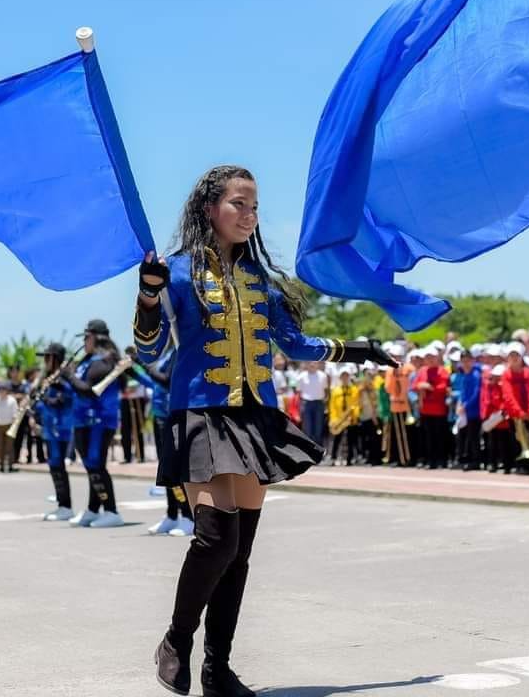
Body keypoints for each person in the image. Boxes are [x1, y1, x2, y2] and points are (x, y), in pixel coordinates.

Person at [134, 164, 394, 696]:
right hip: (201, 416)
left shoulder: (259, 281)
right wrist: (147, 297)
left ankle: (217, 668)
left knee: (240, 553)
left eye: (254, 207)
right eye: (238, 204)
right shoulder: (176, 273)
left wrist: (357, 349)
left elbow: (295, 345)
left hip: (254, 420)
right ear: (210, 208)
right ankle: (176, 640)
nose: (249, 216)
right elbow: (148, 349)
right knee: (214, 540)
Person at [67, 319, 125, 529]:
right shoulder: (89, 359)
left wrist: (69, 376)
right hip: (83, 419)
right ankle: (93, 508)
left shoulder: (105, 360)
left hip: (99, 421)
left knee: (96, 465)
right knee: (91, 466)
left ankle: (111, 510)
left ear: (96, 337)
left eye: (86, 337)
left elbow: (87, 389)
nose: (84, 341)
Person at [139, 347, 195, 536]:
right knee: (166, 470)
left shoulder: (180, 350)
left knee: (176, 469)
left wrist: (143, 365)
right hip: (160, 415)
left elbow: (166, 381)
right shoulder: (168, 353)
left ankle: (188, 516)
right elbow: (153, 383)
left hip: (173, 414)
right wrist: (132, 371)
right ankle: (172, 515)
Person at [36, 343, 77, 522]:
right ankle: (62, 505)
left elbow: (65, 399)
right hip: (50, 428)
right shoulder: (50, 376)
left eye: (47, 357)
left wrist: (46, 398)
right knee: (54, 467)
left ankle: (66, 506)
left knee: (58, 468)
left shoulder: (64, 376)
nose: (45, 361)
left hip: (62, 428)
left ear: (54, 358)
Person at [412, 349, 451, 469]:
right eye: (427, 357)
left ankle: (441, 460)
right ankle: (430, 460)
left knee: (440, 436)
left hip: (439, 410)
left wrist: (430, 388)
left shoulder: (442, 371)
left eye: (432, 357)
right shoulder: (422, 371)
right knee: (428, 437)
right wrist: (420, 385)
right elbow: (414, 386)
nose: (430, 360)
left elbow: (443, 387)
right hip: (425, 410)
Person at [0, 381, 19, 473]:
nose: (2, 392)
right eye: (0, 390)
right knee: (0, 447)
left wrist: (13, 423)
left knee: (9, 446)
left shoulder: (11, 400)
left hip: (9, 425)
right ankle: (2, 465)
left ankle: (11, 465)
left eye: (3, 390)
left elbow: (15, 413)